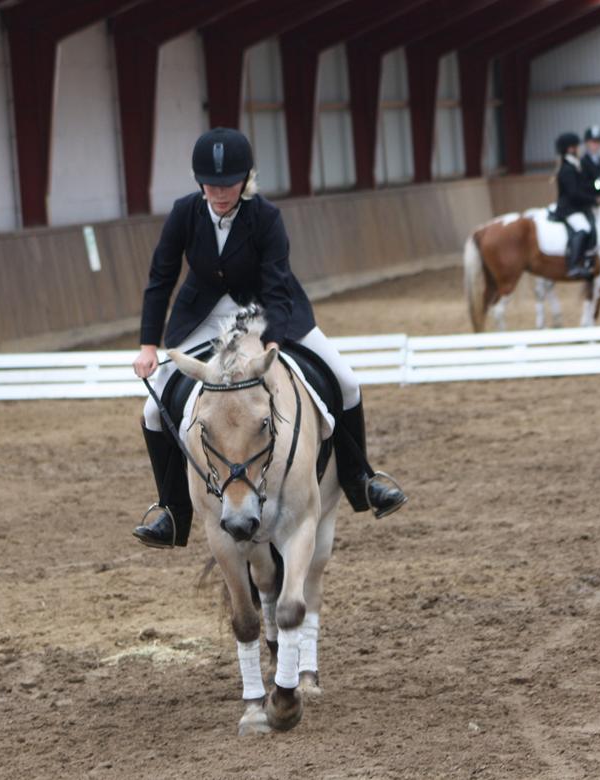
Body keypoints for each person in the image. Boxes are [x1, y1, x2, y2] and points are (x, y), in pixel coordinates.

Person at [130, 127, 407, 549]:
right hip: (203, 317)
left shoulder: (265, 217)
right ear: (198, 181)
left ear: (245, 180)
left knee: (346, 381)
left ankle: (363, 480)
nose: (220, 193)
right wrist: (149, 345)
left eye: (229, 184)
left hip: (268, 311)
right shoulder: (185, 213)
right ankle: (172, 511)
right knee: (153, 411)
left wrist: (271, 343)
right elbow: (160, 278)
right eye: (211, 184)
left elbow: (277, 287)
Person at [554, 132, 599, 280]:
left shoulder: (575, 165)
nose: (580, 149)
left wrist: (598, 185)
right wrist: (592, 200)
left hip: (578, 207)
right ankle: (573, 266)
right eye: (577, 146)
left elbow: (585, 185)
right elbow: (573, 193)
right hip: (569, 209)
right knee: (583, 228)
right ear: (570, 149)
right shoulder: (567, 169)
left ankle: (587, 259)